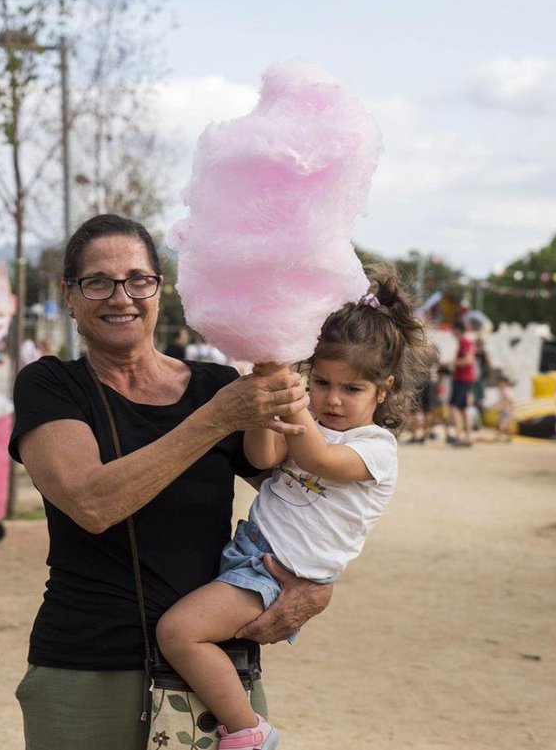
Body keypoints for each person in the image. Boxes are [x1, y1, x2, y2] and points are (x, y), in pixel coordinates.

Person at [8, 213, 323, 747]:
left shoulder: (214, 385)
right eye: (98, 282)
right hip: (86, 674)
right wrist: (215, 420)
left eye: (138, 280)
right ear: (69, 295)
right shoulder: (51, 385)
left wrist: (318, 586)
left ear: (160, 288)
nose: (121, 297)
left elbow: (305, 501)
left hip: (215, 674)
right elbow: (91, 503)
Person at [155, 267, 432, 749]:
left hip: (277, 573)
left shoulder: (376, 449)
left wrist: (286, 383)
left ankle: (249, 732)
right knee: (188, 630)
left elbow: (318, 460)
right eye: (321, 382)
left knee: (179, 632)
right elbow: (264, 457)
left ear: (384, 389)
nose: (333, 399)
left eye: (352, 389)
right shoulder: (311, 422)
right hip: (252, 553)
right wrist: (265, 392)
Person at [449, 321, 476, 447]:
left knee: (454, 407)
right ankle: (468, 437)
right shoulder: (465, 342)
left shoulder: (464, 342)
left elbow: (468, 360)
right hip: (464, 379)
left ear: (458, 330)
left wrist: (452, 363)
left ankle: (459, 436)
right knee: (464, 409)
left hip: (462, 379)